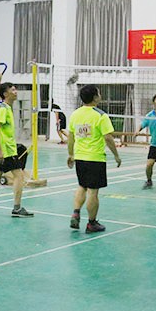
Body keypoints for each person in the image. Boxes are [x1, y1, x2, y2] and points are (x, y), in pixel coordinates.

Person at [67, 85, 122, 233]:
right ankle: (91, 223)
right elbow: (108, 137)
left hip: (80, 157)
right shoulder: (101, 115)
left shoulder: (75, 114)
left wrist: (71, 154)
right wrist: (116, 155)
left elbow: (71, 136)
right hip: (95, 158)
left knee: (82, 186)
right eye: (99, 93)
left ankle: (76, 212)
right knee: (92, 191)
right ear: (95, 97)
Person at [0, 82, 33, 218]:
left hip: (6, 149)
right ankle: (17, 208)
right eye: (13, 90)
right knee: (18, 176)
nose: (16, 92)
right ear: (5, 94)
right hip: (6, 151)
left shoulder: (8, 108)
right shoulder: (3, 109)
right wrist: (0, 150)